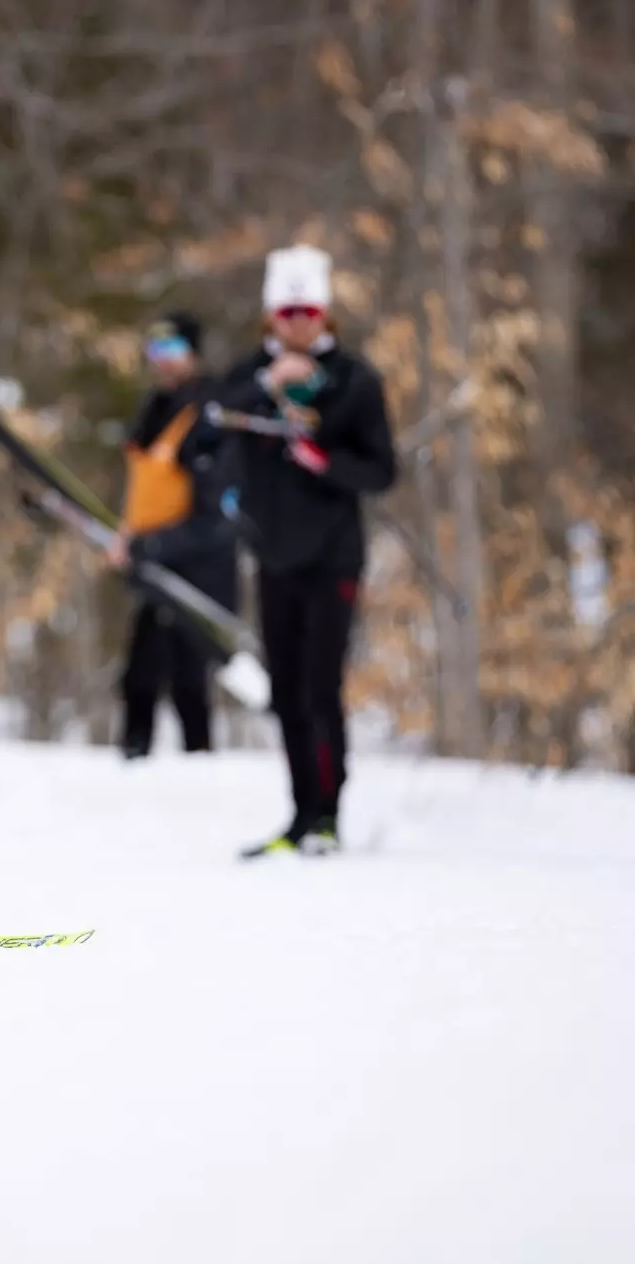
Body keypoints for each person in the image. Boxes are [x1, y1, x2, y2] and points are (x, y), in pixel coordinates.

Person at [212, 246, 396, 857]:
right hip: (274, 556)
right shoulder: (246, 379)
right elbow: (210, 424)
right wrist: (269, 386)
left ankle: (327, 815)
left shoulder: (355, 379)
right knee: (285, 689)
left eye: (308, 310)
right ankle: (299, 815)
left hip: (333, 556)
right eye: (286, 310)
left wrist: (326, 463)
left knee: (321, 685)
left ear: (325, 314)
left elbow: (381, 470)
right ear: (270, 315)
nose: (297, 322)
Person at [107, 312, 238, 758]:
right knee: (138, 678)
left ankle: (197, 772)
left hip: (197, 570)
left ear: (194, 354)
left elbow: (216, 514)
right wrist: (130, 540)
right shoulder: (155, 410)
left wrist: (157, 544)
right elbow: (147, 491)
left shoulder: (208, 414)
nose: (162, 362)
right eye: (154, 351)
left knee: (188, 679)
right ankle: (133, 763)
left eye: (173, 351)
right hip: (154, 565)